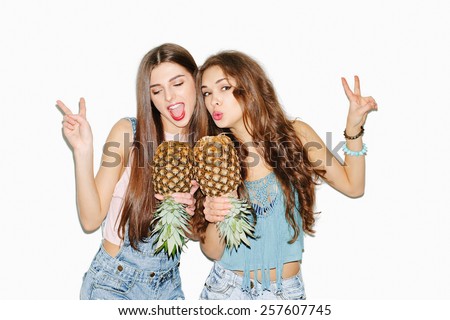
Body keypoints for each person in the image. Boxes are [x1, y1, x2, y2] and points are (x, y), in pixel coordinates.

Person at [196, 51, 378, 300]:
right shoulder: (214, 154)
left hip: (285, 293)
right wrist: (217, 214)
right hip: (226, 290)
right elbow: (213, 251)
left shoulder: (296, 136)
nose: (213, 101)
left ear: (249, 86)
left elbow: (354, 186)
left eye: (224, 88)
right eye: (206, 93)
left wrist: (354, 128)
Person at [56, 43, 209, 299]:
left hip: (168, 285)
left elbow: (197, 235)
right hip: (114, 283)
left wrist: (188, 212)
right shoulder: (130, 133)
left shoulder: (207, 147)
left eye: (178, 83)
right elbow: (90, 219)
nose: (169, 97)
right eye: (157, 91)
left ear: (196, 81)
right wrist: (83, 152)